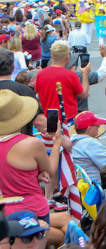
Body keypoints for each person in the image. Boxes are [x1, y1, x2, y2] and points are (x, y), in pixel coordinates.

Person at [0, 90, 71, 248]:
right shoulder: (31, 143)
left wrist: (32, 174)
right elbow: (50, 173)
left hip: (4, 214)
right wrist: (57, 141)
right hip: (33, 210)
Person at [34, 40, 90, 120]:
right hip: (67, 118)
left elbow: (39, 95)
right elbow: (83, 94)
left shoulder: (40, 74)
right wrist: (85, 75)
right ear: (67, 57)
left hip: (49, 118)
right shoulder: (71, 75)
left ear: (52, 56)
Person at [70, 111, 106, 182]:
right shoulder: (91, 143)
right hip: (96, 185)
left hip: (81, 183)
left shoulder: (73, 141)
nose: (99, 126)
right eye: (96, 125)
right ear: (90, 129)